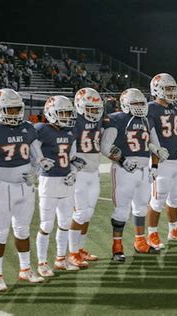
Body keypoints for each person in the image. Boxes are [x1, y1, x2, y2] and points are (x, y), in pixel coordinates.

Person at [0, 88, 54, 291]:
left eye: (16, 109)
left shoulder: (28, 128)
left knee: (22, 230)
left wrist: (36, 173)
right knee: (0, 232)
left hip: (25, 185)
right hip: (0, 186)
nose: (14, 114)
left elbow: (38, 157)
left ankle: (25, 269)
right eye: (9, 109)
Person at [101, 88, 168, 262]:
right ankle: (117, 246)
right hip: (124, 170)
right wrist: (122, 160)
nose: (139, 106)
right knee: (121, 210)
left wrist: (154, 166)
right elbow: (105, 146)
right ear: (125, 104)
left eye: (141, 103)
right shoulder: (117, 119)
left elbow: (155, 145)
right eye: (135, 103)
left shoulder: (148, 120)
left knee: (140, 207)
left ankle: (140, 241)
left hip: (144, 171)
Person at [35, 96, 87, 276]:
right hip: (48, 181)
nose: (66, 117)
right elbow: (33, 152)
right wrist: (37, 165)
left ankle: (60, 258)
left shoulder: (69, 133)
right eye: (62, 113)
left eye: (68, 113)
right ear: (50, 113)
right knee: (47, 224)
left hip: (66, 181)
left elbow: (72, 158)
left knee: (65, 222)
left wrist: (73, 171)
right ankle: (42, 262)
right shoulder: (41, 129)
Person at [146, 73, 177, 250]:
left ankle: (174, 230)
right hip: (162, 160)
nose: (172, 92)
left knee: (175, 198)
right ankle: (152, 233)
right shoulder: (150, 108)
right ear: (157, 89)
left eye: (173, 88)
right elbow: (147, 136)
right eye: (168, 88)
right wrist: (154, 162)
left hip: (176, 159)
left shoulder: (175, 108)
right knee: (157, 200)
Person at [68, 87, 104, 269]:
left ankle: (80, 249)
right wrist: (72, 162)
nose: (94, 112)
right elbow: (66, 145)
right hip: (80, 173)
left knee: (88, 213)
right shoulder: (74, 121)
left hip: (93, 171)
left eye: (97, 108)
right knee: (80, 213)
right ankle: (72, 252)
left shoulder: (97, 122)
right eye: (90, 108)